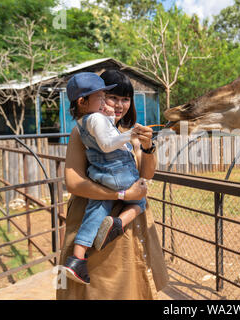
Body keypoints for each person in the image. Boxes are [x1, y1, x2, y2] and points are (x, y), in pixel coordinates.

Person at [56, 70, 168, 299]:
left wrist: (148, 147)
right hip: (93, 220)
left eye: (125, 99)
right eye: (112, 97)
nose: (119, 105)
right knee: (95, 290)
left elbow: (147, 174)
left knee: (129, 286)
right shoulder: (83, 131)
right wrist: (122, 195)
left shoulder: (130, 130)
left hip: (126, 226)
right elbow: (74, 183)